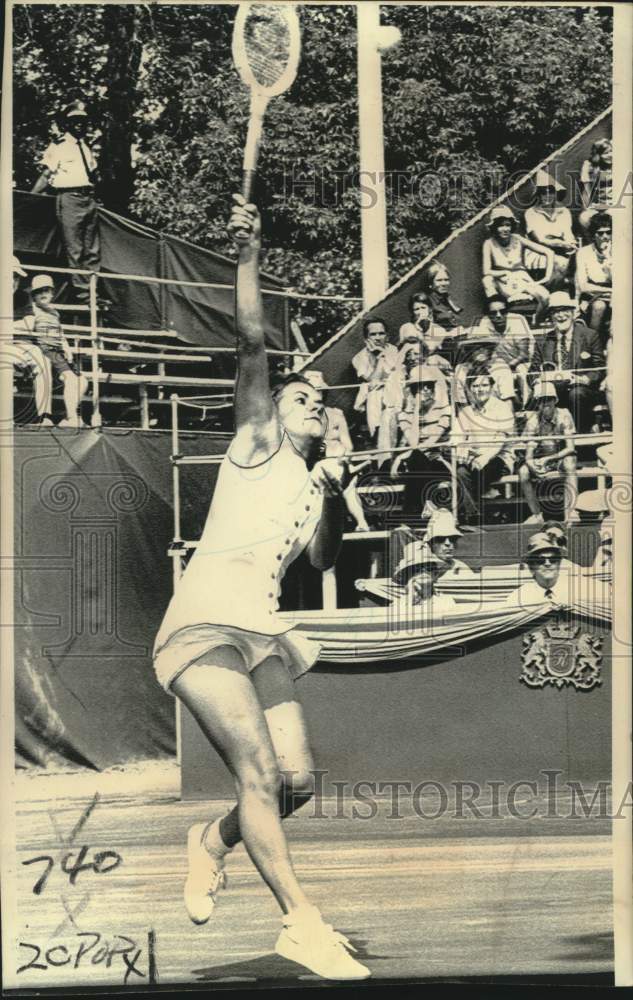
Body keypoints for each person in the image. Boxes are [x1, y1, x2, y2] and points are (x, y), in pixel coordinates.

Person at [152, 195, 370, 981]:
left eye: (321, 399)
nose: (312, 398)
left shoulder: (311, 481)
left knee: (297, 783)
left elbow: (319, 560)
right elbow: (251, 340)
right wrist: (245, 256)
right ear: (273, 410)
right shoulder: (254, 442)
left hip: (261, 628)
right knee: (255, 775)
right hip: (203, 623)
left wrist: (338, 489)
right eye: (299, 393)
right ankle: (300, 924)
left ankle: (211, 842)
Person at [32, 100, 100, 304]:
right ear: (67, 124)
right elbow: (46, 175)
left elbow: (93, 174)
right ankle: (83, 295)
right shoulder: (58, 146)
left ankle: (94, 293)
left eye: (83, 121)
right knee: (76, 250)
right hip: (69, 198)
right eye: (75, 121)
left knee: (93, 251)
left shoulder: (86, 148)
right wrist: (31, 196)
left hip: (88, 198)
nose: (79, 125)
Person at [16, 274, 89, 428]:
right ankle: (71, 417)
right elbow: (28, 328)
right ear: (33, 295)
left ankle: (68, 417)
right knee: (70, 378)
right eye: (39, 292)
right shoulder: (32, 309)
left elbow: (60, 332)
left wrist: (66, 347)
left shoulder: (54, 312)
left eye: (47, 291)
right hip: (47, 350)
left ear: (52, 293)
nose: (43, 294)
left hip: (59, 352)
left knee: (82, 382)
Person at [303, 370, 370, 531]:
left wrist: (345, 456)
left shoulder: (335, 414)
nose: (317, 395)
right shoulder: (300, 417)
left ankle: (362, 522)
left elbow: (347, 444)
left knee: (346, 484)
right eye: (312, 390)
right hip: (314, 464)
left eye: (319, 390)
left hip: (338, 461)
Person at [532, 291, 603, 433]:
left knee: (576, 394)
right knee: (544, 396)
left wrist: (584, 379)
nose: (561, 315)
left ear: (573, 313)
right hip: (553, 391)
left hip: (581, 390)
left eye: (565, 310)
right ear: (551, 316)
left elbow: (600, 368)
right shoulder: (543, 341)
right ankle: (550, 443)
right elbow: (532, 371)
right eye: (556, 312)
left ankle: (580, 437)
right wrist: (538, 380)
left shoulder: (589, 335)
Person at [456, 368, 515, 522]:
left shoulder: (502, 408)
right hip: (474, 458)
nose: (479, 390)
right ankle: (475, 516)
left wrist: (484, 458)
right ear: (469, 389)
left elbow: (501, 441)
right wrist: (462, 449)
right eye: (475, 386)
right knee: (460, 472)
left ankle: (487, 511)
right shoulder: (466, 412)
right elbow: (459, 437)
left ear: (491, 386)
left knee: (475, 473)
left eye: (484, 385)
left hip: (499, 457)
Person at [394, 366, 452, 521]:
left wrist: (402, 456)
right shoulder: (405, 415)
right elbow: (413, 442)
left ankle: (409, 518)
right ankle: (426, 504)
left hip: (440, 459)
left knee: (415, 464)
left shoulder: (444, 410)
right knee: (417, 461)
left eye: (429, 386)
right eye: (421, 386)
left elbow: (433, 441)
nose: (426, 390)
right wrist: (415, 411)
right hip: (419, 461)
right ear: (413, 391)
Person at [518, 382, 578, 525]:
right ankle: (537, 515)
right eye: (541, 400)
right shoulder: (533, 420)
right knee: (523, 472)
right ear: (537, 403)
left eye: (549, 399)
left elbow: (570, 448)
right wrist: (531, 463)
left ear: (555, 400)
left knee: (570, 464)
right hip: (542, 459)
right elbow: (529, 451)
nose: (546, 404)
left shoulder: (564, 415)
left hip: (561, 457)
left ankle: (571, 512)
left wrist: (549, 459)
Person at [482, 206, 554, 322]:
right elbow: (486, 271)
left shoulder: (518, 239)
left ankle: (536, 321)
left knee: (545, 296)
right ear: (494, 227)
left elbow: (549, 252)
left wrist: (547, 277)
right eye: (500, 225)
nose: (505, 229)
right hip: (503, 281)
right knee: (487, 280)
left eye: (507, 225)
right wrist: (504, 272)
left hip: (522, 280)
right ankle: (497, 316)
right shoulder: (489, 243)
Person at [7, 256, 53, 425]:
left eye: (16, 277)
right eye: (10, 275)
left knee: (42, 360)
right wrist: (16, 325)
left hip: (21, 345)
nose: (13, 281)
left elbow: (29, 325)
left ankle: (45, 415)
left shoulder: (23, 297)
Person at [352, 317, 400, 460]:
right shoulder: (359, 358)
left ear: (387, 335)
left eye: (381, 333)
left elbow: (398, 373)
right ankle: (377, 433)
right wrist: (379, 358)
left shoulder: (395, 350)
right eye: (373, 334)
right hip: (377, 397)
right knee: (373, 391)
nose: (378, 338)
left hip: (395, 392)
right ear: (366, 338)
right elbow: (373, 380)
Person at [475, 297, 534, 407]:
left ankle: (527, 406)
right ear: (488, 314)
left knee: (521, 371)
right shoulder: (485, 322)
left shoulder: (517, 320)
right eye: (493, 313)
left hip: (523, 361)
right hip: (500, 362)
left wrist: (506, 366)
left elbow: (524, 355)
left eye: (502, 312)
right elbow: (485, 352)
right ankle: (505, 406)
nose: (498, 315)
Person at [524, 170, 577, 290]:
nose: (547, 196)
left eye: (550, 192)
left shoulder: (564, 211)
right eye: (543, 192)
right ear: (538, 194)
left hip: (562, 249)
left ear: (555, 193)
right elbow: (539, 240)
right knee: (559, 262)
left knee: (579, 257)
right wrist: (562, 244)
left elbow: (568, 234)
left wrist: (571, 244)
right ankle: (551, 294)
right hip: (538, 252)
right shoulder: (531, 213)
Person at [391, 544, 457, 617]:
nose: (423, 571)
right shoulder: (399, 603)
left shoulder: (446, 601)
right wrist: (410, 599)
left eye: (429, 568)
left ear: (435, 575)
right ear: (409, 576)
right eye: (416, 569)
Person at [505, 532, 568, 608]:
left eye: (553, 559)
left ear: (559, 564)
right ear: (532, 568)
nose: (547, 564)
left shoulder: (574, 591)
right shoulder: (518, 597)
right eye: (540, 560)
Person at [575, 212, 611, 339]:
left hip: (615, 295)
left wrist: (609, 260)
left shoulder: (620, 251)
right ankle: (592, 342)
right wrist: (609, 290)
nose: (605, 236)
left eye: (608, 232)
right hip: (592, 296)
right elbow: (584, 286)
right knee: (599, 306)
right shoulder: (583, 253)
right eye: (600, 233)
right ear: (593, 235)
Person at [398, 292, 452, 361]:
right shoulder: (406, 327)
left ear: (430, 309)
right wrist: (417, 327)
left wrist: (419, 335)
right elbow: (406, 346)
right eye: (416, 309)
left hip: (426, 363)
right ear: (412, 312)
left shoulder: (439, 330)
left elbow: (428, 351)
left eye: (423, 308)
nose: (420, 311)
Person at [578, 138, 612, 234]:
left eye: (611, 152)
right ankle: (594, 245)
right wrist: (589, 208)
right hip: (600, 206)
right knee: (584, 217)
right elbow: (586, 192)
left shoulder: (619, 165)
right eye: (605, 153)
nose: (610, 155)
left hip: (616, 205)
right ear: (598, 155)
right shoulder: (591, 167)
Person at [420, 262, 464, 331]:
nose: (444, 283)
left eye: (446, 280)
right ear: (431, 283)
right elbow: (427, 331)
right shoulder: (427, 302)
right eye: (439, 280)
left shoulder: (450, 299)